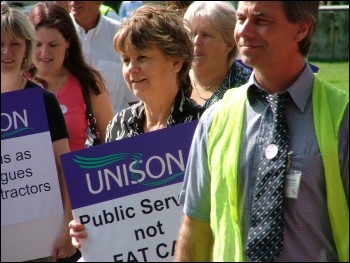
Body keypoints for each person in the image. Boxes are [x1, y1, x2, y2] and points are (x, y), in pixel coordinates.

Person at [175, 1, 348, 262]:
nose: (244, 31)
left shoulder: (341, 118)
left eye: (261, 20)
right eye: (241, 19)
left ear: (301, 29)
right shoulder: (216, 118)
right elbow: (195, 227)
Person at [69, 4, 205, 249]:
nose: (131, 68)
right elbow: (105, 212)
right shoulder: (119, 125)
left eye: (142, 57)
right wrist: (86, 229)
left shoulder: (201, 126)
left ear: (176, 62)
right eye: (126, 60)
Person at [1, 2, 76, 261]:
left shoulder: (43, 101)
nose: (6, 51)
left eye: (15, 44)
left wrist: (68, 228)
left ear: (26, 51)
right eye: (0, 43)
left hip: (41, 244)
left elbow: (65, 169)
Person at [27, 3, 114, 151]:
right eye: (38, 44)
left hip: (77, 172)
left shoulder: (88, 82)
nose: (44, 53)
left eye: (53, 45)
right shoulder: (15, 83)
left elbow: (112, 141)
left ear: (68, 42)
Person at [69, 1, 139, 115]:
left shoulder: (120, 34)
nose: (74, 2)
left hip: (116, 129)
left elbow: (134, 97)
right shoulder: (56, 34)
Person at [184, 1, 251, 109]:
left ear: (229, 44)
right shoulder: (175, 81)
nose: (196, 41)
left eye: (206, 35)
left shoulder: (247, 87)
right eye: (192, 34)